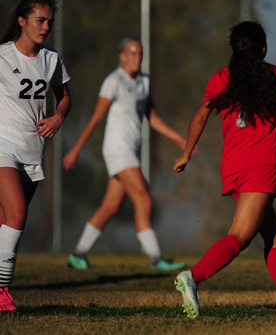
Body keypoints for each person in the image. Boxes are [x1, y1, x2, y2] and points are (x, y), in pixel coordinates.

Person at [172, 21, 276, 321]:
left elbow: (201, 116)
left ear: (233, 49)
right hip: (261, 166)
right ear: (264, 49)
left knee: (274, 235)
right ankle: (193, 277)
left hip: (232, 167)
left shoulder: (220, 79)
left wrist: (186, 153)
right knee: (241, 235)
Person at [64, 37, 187, 271]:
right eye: (132, 53)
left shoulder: (144, 82)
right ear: (122, 56)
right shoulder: (114, 81)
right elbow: (96, 118)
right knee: (144, 199)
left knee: (111, 205)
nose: (137, 58)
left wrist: (177, 137)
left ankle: (77, 255)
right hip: (117, 149)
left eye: (140, 54)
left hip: (131, 151)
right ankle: (156, 259)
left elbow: (151, 117)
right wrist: (76, 150)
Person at [0, 0, 71, 311]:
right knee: (17, 213)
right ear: (22, 20)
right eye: (40, 20)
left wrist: (58, 116)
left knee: (6, 221)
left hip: (33, 152)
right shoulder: (2, 57)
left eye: (50, 22)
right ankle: (2, 293)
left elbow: (65, 97)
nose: (46, 27)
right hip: (3, 147)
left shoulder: (52, 59)